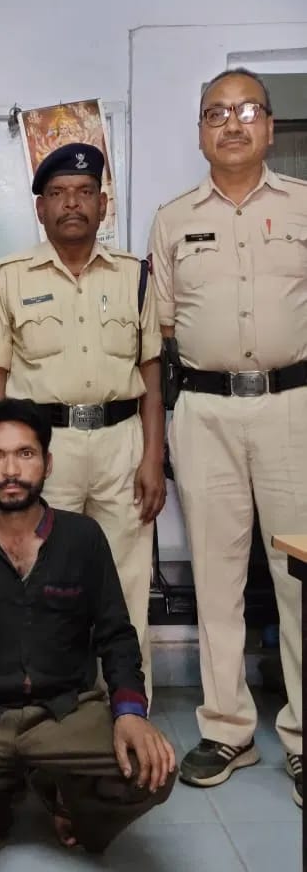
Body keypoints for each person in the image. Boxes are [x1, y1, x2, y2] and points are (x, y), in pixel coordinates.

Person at [0, 398, 176, 853]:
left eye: (25, 454)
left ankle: (67, 799)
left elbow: (116, 634)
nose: (11, 469)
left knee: (155, 772)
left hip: (68, 711)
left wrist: (130, 713)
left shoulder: (82, 538)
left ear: (47, 464)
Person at [149, 67, 307, 805]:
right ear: (200, 132)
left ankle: (304, 736)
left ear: (269, 127)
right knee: (215, 575)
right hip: (204, 411)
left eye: (247, 111)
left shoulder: (304, 205)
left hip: (293, 407)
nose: (232, 123)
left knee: (300, 575)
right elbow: (163, 329)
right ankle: (228, 730)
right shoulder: (172, 219)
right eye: (217, 112)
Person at [0, 143, 165, 700]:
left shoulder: (135, 276)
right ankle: (50, 711)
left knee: (127, 584)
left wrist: (154, 456)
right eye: (58, 194)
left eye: (84, 192)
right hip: (44, 450)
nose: (72, 203)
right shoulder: (9, 278)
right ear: (41, 209)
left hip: (122, 444)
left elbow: (152, 376)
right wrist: (1, 462)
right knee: (45, 581)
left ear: (103, 205)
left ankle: (129, 711)